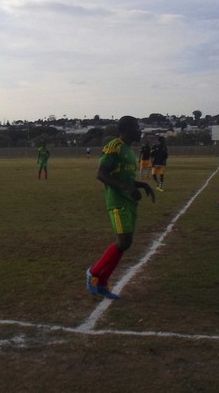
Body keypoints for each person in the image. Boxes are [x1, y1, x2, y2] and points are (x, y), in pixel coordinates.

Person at [86, 116, 155, 299]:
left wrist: (142, 185)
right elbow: (101, 174)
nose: (139, 131)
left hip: (128, 201)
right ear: (126, 130)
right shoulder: (114, 146)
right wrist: (126, 188)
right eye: (137, 128)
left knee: (126, 243)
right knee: (123, 241)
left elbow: (126, 178)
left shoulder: (130, 151)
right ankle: (93, 273)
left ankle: (101, 283)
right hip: (117, 201)